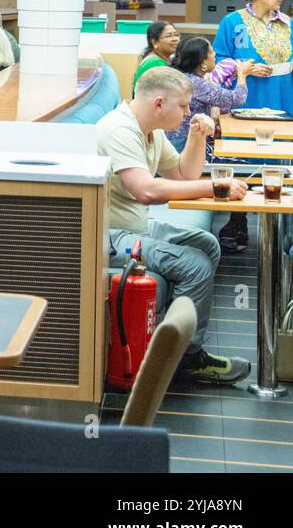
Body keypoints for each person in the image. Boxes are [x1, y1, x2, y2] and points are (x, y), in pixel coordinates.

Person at [96, 66, 251, 385]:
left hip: (134, 228)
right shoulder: (119, 129)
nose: (188, 111)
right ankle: (186, 359)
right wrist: (216, 188)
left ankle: (172, 344)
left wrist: (196, 136)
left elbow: (183, 175)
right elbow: (148, 190)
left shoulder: (150, 130)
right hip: (107, 237)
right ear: (158, 103)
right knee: (194, 265)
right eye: (183, 106)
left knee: (206, 244)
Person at [165, 36, 252, 251]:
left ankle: (236, 228)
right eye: (211, 52)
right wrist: (242, 75)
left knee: (237, 163)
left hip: (180, 143)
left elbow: (218, 104)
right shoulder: (195, 83)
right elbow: (236, 100)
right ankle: (234, 232)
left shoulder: (181, 78)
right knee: (240, 169)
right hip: (184, 147)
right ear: (203, 61)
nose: (215, 56)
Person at [214, 0, 290, 115]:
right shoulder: (232, 22)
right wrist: (243, 68)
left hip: (283, 98)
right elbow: (218, 59)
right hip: (245, 97)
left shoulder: (289, 25)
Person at [132, 21, 181, 92]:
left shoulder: (164, 59)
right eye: (169, 36)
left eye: (176, 35)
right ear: (155, 42)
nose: (175, 39)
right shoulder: (155, 63)